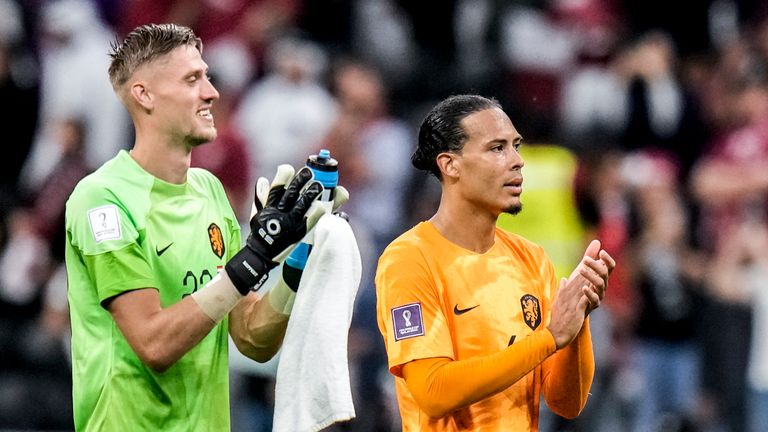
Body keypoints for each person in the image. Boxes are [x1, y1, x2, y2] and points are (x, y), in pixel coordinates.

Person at [64, 23, 345, 431]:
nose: (212, 92)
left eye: (208, 77)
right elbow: (154, 343)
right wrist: (251, 261)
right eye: (193, 79)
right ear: (144, 95)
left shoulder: (209, 190)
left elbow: (252, 338)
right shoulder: (103, 200)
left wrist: (294, 265)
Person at [375, 94, 615, 431]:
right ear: (450, 165)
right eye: (497, 148)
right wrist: (547, 339)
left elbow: (566, 403)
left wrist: (577, 321)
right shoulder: (410, 259)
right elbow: (432, 391)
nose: (517, 161)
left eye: (516, 145)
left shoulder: (531, 259)